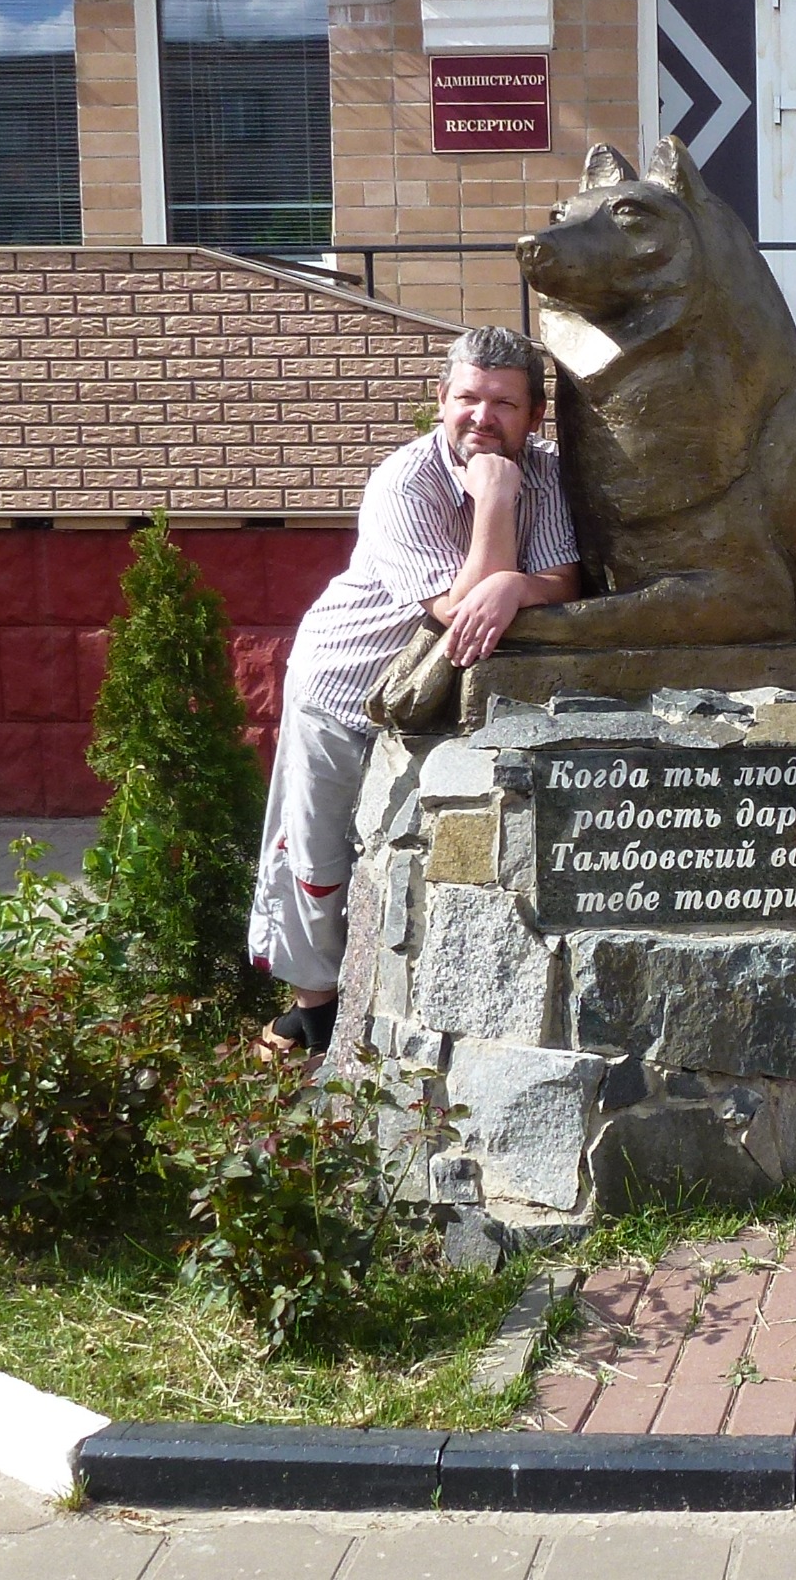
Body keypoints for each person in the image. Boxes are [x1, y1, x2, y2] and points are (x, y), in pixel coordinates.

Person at [249, 327, 582, 1059]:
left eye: (504, 403)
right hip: (345, 684)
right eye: (467, 398)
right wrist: (495, 499)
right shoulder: (405, 482)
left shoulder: (550, 472)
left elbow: (562, 581)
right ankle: (314, 1011)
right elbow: (459, 611)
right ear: (440, 399)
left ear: (535, 415)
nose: (481, 417)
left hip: (437, 691)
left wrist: (516, 585)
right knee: (317, 852)